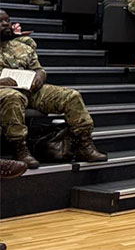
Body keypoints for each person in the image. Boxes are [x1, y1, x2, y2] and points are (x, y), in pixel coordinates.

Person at [0, 10, 107, 167]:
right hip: (4, 91)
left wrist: (39, 76)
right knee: (13, 97)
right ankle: (20, 149)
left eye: (7, 20)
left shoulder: (22, 47)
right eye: (1, 21)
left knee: (71, 96)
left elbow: (38, 69)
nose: (6, 24)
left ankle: (84, 144)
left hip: (29, 88)